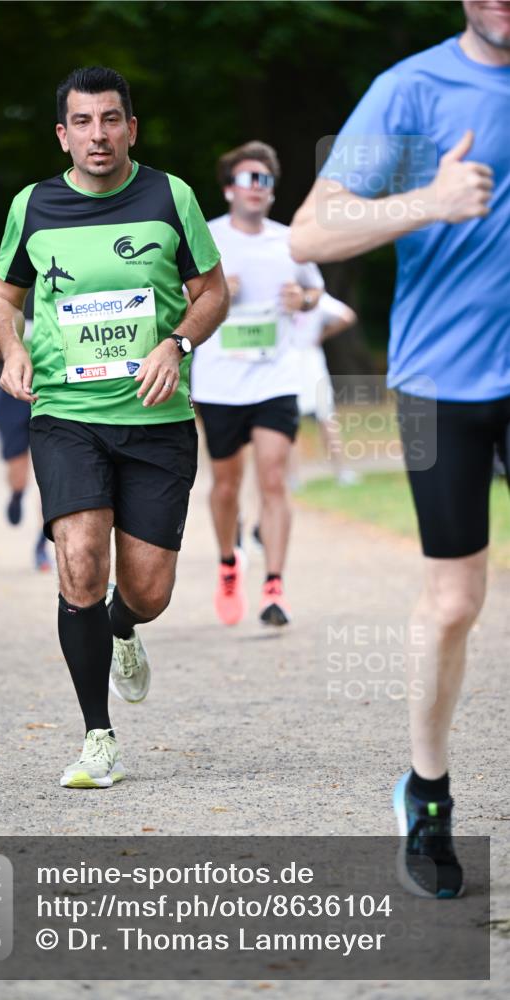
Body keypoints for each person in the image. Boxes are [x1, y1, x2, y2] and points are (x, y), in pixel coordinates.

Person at [291, 0, 510, 898]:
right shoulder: (411, 89)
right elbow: (309, 231)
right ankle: (425, 793)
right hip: (442, 382)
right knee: (454, 600)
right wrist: (427, 201)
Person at [0, 66, 227, 788]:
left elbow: (212, 293)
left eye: (111, 119)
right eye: (83, 122)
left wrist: (175, 343)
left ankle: (123, 627)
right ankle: (98, 736)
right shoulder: (32, 204)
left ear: (131, 128)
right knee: (81, 561)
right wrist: (14, 346)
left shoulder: (169, 196)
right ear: (62, 134)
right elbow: (2, 297)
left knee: (148, 591)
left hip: (156, 421)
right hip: (67, 415)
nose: (99, 134)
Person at [190, 141, 323, 628]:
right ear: (229, 189)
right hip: (221, 383)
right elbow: (175, 299)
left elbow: (315, 291)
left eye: (264, 180)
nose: (256, 187)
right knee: (226, 486)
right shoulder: (206, 237)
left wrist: (303, 298)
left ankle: (275, 587)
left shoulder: (291, 241)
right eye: (247, 178)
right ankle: (229, 562)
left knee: (273, 478)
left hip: (276, 376)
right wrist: (217, 294)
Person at [0, 271, 52, 571]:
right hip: (11, 390)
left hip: (52, 391)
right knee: (19, 472)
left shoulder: (61, 261)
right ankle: (17, 494)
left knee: (52, 476)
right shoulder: (1, 271)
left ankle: (42, 546)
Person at [290, 292, 359, 488]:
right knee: (326, 417)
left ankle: (293, 477)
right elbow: (347, 316)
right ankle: (343, 472)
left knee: (291, 421)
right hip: (310, 360)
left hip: (290, 361)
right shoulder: (316, 296)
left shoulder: (286, 294)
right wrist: (321, 335)